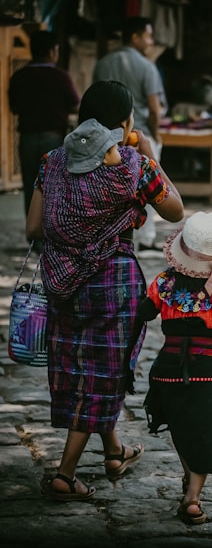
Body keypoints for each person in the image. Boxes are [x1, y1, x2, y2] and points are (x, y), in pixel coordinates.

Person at [25, 80, 184, 501]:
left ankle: (114, 451)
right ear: (125, 123)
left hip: (62, 283)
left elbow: (33, 227)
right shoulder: (133, 165)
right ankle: (64, 474)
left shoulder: (51, 161)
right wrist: (150, 154)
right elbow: (175, 211)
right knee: (103, 372)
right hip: (113, 284)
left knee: (86, 367)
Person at [138, 211, 212, 525]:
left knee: (183, 427)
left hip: (167, 369)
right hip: (208, 370)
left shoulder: (165, 283)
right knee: (206, 432)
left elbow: (144, 313)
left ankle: (189, 483)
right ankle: (193, 498)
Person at [93, 16, 166, 257]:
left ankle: (107, 234)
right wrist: (154, 136)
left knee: (107, 186)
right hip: (138, 136)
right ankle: (145, 238)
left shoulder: (102, 64)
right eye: (148, 35)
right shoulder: (147, 67)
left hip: (105, 138)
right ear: (135, 37)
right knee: (150, 185)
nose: (151, 41)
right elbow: (155, 108)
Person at [8, 30, 80, 217]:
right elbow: (75, 104)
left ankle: (33, 235)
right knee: (54, 187)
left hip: (28, 139)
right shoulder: (61, 77)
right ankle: (52, 233)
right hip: (54, 139)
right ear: (51, 51)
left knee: (31, 188)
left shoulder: (19, 77)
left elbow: (14, 108)